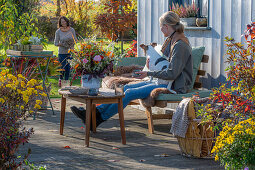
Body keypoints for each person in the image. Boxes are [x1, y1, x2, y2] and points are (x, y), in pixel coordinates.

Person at [71, 11, 193, 127]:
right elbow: (164, 62)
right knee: (126, 88)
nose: (160, 29)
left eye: (161, 26)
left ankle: (97, 118)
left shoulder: (180, 45)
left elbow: (172, 73)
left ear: (166, 26)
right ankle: (94, 114)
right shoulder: (173, 40)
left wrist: (148, 72)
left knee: (129, 93)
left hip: (175, 86)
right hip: (166, 82)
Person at [54, 16, 77, 87]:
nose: (63, 23)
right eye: (62, 22)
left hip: (70, 52)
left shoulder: (71, 30)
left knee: (68, 68)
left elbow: (75, 40)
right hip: (62, 52)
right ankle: (60, 80)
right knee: (62, 68)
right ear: (60, 23)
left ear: (67, 21)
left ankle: (66, 83)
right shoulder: (58, 31)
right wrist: (62, 44)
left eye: (64, 21)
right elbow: (55, 43)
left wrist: (71, 44)